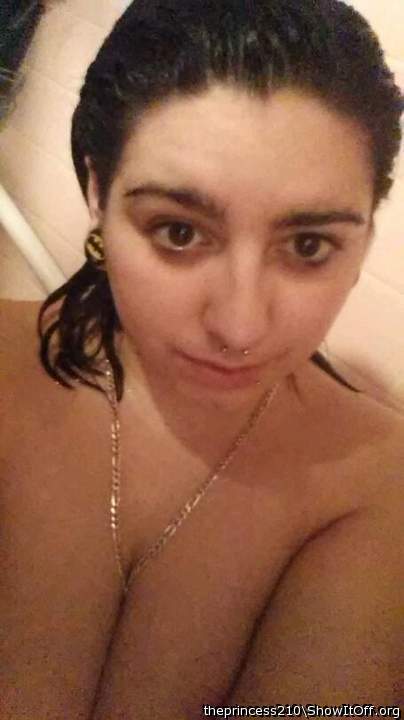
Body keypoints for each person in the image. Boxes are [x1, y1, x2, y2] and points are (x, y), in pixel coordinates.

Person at [1, 0, 403, 716]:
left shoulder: (376, 481)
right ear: (96, 193)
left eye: (308, 245)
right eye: (179, 231)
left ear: (365, 239)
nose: (240, 325)